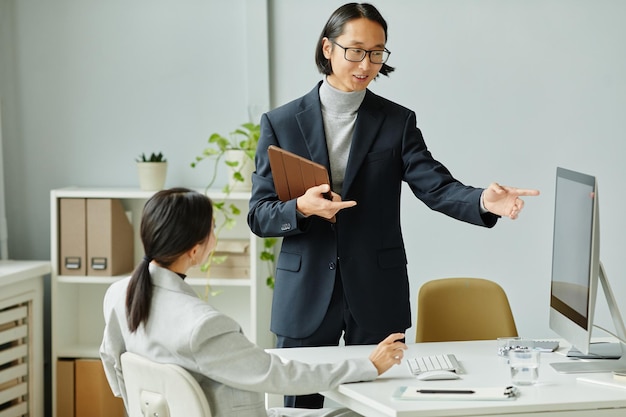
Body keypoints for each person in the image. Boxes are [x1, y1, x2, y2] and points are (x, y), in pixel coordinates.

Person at [247, 2, 540, 409]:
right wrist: (301, 208)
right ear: (327, 48)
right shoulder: (281, 122)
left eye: (377, 51)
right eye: (355, 50)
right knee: (300, 407)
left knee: (383, 405)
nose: (366, 63)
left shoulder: (396, 121)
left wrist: (483, 201)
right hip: (305, 292)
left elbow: (436, 186)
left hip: (376, 291)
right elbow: (259, 214)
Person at [99, 187, 407, 417]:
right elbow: (278, 375)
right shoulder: (201, 326)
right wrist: (366, 365)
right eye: (212, 230)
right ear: (195, 251)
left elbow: (111, 359)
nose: (214, 238)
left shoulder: (118, 295)